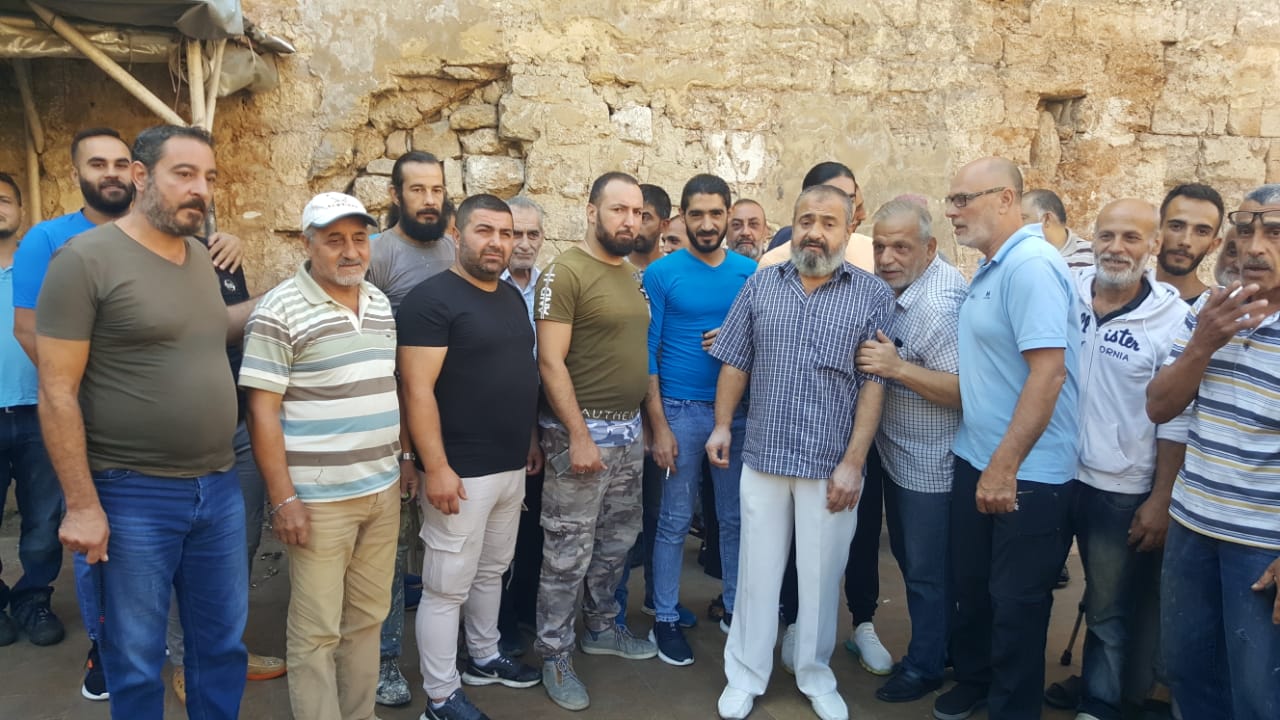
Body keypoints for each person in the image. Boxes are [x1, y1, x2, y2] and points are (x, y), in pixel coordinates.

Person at [11, 126, 244, 701]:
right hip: (133, 491)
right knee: (136, 659)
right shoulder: (84, 260)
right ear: (141, 177)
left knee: (221, 647)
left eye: (209, 177)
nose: (200, 189)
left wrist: (299, 288)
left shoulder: (198, 257)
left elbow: (213, 330)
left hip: (218, 485)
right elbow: (56, 389)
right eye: (183, 174)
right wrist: (82, 504)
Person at [709, 183, 894, 720]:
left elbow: (874, 385)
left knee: (819, 578)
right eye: (806, 220)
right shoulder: (761, 286)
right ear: (792, 224)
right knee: (757, 574)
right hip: (764, 457)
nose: (815, 231)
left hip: (829, 466)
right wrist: (722, 426)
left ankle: (814, 674)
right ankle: (745, 675)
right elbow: (736, 360)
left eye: (828, 222)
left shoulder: (872, 295)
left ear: (848, 229)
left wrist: (854, 463)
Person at [241, 192, 401, 720]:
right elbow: (262, 413)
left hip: (381, 492)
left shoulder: (378, 303)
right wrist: (283, 499)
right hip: (318, 501)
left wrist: (402, 464)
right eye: (334, 240)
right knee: (317, 631)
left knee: (368, 618)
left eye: (359, 238)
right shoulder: (278, 310)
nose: (350, 251)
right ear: (307, 244)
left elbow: (384, 388)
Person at [938, 157, 1080, 720]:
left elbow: (1049, 374)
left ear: (1005, 200)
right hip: (978, 456)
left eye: (963, 199)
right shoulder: (994, 266)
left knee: (1016, 605)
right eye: (950, 200)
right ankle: (975, 681)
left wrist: (1004, 466)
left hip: (1027, 471)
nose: (953, 211)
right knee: (972, 588)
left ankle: (1011, 708)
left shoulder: (1032, 267)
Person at [399, 194, 543, 720]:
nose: (498, 243)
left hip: (509, 466)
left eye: (507, 233)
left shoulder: (509, 298)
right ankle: (441, 696)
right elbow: (416, 390)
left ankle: (484, 656)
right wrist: (433, 466)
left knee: (492, 570)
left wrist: (529, 441)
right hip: (459, 472)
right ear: (457, 235)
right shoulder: (431, 300)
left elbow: (519, 373)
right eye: (485, 231)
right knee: (445, 587)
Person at [1147, 184, 1280, 720]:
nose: (1255, 247)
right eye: (1245, 232)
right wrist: (1203, 343)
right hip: (1192, 528)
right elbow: (1160, 406)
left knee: (1258, 694)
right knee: (1189, 674)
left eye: (1275, 233)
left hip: (1262, 547)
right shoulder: (1211, 309)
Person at [533, 172, 655, 711]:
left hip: (627, 434)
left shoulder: (631, 275)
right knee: (567, 553)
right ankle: (554, 654)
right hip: (580, 437)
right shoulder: (564, 273)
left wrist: (648, 425)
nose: (629, 221)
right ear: (591, 212)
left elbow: (636, 354)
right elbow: (549, 361)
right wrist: (579, 436)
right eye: (617, 210)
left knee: (615, 544)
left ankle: (601, 628)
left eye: (637, 212)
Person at [1063, 199, 1187, 720]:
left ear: (1153, 245)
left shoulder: (1173, 319)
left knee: (1108, 608)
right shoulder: (1065, 292)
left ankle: (1100, 703)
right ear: (1092, 238)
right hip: (1052, 472)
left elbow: (1176, 419)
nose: (1116, 248)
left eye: (1131, 238)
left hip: (1119, 486)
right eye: (1107, 236)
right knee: (1025, 590)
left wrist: (1160, 498)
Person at [765, 161, 887, 678]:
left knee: (860, 532)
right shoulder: (778, 258)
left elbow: (879, 356)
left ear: (855, 212)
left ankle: (863, 622)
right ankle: (797, 622)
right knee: (799, 540)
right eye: (818, 204)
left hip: (858, 429)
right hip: (793, 434)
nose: (825, 219)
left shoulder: (875, 255)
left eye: (845, 201)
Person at [854, 199, 965, 703]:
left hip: (931, 466)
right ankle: (943, 648)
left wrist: (896, 368)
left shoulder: (939, 306)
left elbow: (965, 391)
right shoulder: (904, 290)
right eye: (880, 247)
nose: (886, 258)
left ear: (930, 247)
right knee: (920, 566)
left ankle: (924, 667)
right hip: (903, 457)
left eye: (900, 247)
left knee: (925, 573)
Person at [643, 174, 755, 666]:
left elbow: (762, 339)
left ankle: (735, 608)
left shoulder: (750, 273)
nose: (707, 224)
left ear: (728, 214)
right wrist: (659, 426)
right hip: (680, 410)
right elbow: (647, 354)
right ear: (682, 218)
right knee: (672, 520)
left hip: (739, 413)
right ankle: (665, 617)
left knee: (734, 519)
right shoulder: (661, 274)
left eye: (715, 214)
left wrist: (732, 334)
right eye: (696, 215)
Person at [365, 150, 456, 707]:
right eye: (417, 189)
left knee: (442, 547)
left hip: (448, 426)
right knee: (392, 553)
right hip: (394, 428)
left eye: (436, 189)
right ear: (395, 195)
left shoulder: (453, 251)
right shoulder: (378, 255)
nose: (429, 200)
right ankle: (383, 661)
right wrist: (402, 451)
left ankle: (447, 655)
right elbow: (377, 358)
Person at [614, 182, 698, 630]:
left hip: (666, 416)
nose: (634, 224)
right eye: (627, 213)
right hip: (620, 418)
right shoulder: (613, 272)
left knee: (659, 514)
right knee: (619, 521)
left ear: (663, 223)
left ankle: (655, 599)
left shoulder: (671, 276)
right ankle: (612, 611)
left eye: (644, 216)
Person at [0, 171, 64, 650]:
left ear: (20, 211)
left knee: (44, 523)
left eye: (4, 199)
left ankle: (33, 599)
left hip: (41, 411)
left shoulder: (43, 266)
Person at [497, 196, 549, 657]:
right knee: (497, 536)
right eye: (516, 233)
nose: (524, 243)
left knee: (533, 526)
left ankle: (526, 610)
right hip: (495, 428)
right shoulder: (487, 287)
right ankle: (497, 625)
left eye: (533, 234)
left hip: (541, 424)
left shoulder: (550, 287)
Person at [764, 161, 867, 252]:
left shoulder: (866, 252)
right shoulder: (784, 242)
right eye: (831, 199)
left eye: (851, 201)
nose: (844, 207)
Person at [1155, 183, 1224, 304]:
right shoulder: (1123, 297)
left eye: (1201, 232)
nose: (1185, 241)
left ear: (1213, 245)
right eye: (1176, 226)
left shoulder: (1217, 309)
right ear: (1155, 232)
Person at [1021, 188, 1095, 268]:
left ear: (1047, 219)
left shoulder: (1093, 255)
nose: (1018, 225)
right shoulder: (1020, 257)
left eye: (1023, 218)